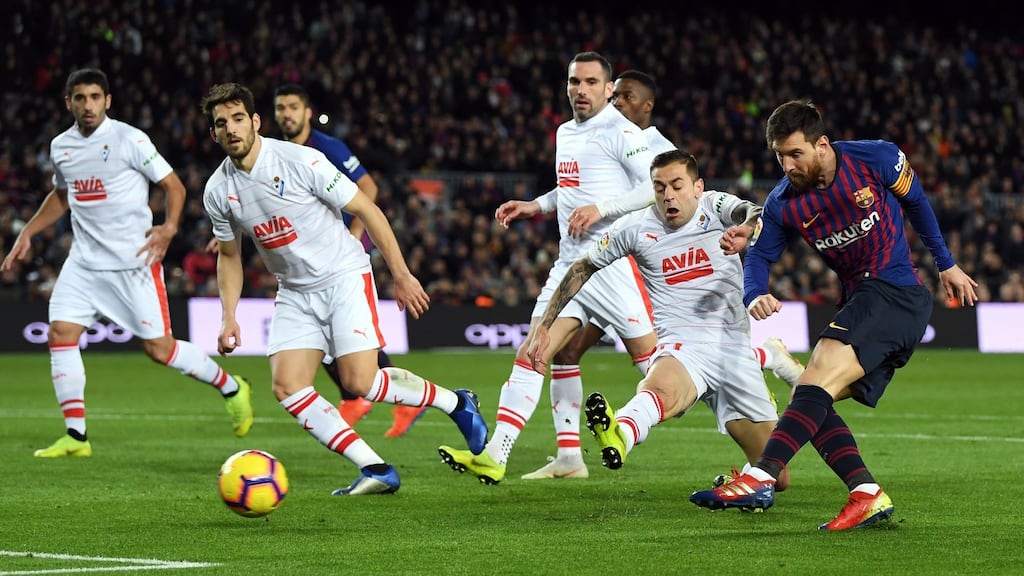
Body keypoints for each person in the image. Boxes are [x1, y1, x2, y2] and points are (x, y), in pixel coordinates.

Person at [690, 99, 979, 530]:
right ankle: (866, 493)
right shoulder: (784, 203)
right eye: (779, 156)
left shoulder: (876, 158)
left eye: (795, 153)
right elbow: (759, 256)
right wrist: (754, 293)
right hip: (864, 302)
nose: (787, 165)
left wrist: (945, 262)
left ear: (821, 144)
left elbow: (916, 202)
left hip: (893, 291)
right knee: (809, 399)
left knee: (818, 372)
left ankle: (759, 477)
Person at [199, 82, 487, 495]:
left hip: (343, 275)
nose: (231, 129)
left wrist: (401, 274)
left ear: (256, 122)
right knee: (288, 386)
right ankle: (376, 469)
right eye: (221, 123)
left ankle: (457, 404)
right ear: (213, 133)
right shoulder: (217, 191)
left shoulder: (302, 161)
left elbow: (366, 208)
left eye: (238, 119)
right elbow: (229, 257)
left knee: (360, 382)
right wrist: (229, 314)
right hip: (295, 291)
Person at [544, 69, 803, 479]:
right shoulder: (635, 227)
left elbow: (755, 213)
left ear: (697, 187)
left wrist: (746, 229)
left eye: (677, 185)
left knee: (778, 476)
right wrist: (547, 322)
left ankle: (767, 353)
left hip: (733, 349)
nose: (668, 195)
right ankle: (620, 432)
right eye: (660, 187)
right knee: (661, 391)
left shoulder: (715, 207)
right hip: (684, 345)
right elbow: (582, 267)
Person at [0, 68, 254, 458]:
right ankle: (76, 436)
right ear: (69, 102)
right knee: (61, 334)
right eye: (80, 98)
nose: (88, 105)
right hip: (83, 264)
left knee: (160, 350)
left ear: (108, 101)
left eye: (95, 97)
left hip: (134, 263)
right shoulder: (60, 147)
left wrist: (169, 228)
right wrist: (29, 231)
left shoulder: (129, 139)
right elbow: (61, 195)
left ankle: (231, 387)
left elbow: (174, 185)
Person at [438, 52, 660, 484]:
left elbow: (650, 189)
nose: (581, 89)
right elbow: (572, 190)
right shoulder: (565, 133)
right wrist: (534, 205)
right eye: (575, 81)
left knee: (658, 370)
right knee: (534, 350)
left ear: (608, 89)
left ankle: (740, 386)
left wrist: (603, 209)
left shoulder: (623, 132)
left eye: (592, 82)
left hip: (612, 265)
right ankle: (497, 456)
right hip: (570, 266)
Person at [272, 83, 426, 437]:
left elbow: (368, 189)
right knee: (324, 335)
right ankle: (373, 398)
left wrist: (356, 232)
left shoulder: (328, 148)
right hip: (305, 259)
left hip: (340, 256)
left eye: (293, 107)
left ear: (308, 112)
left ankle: (385, 398)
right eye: (281, 108)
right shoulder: (273, 152)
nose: (287, 114)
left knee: (342, 337)